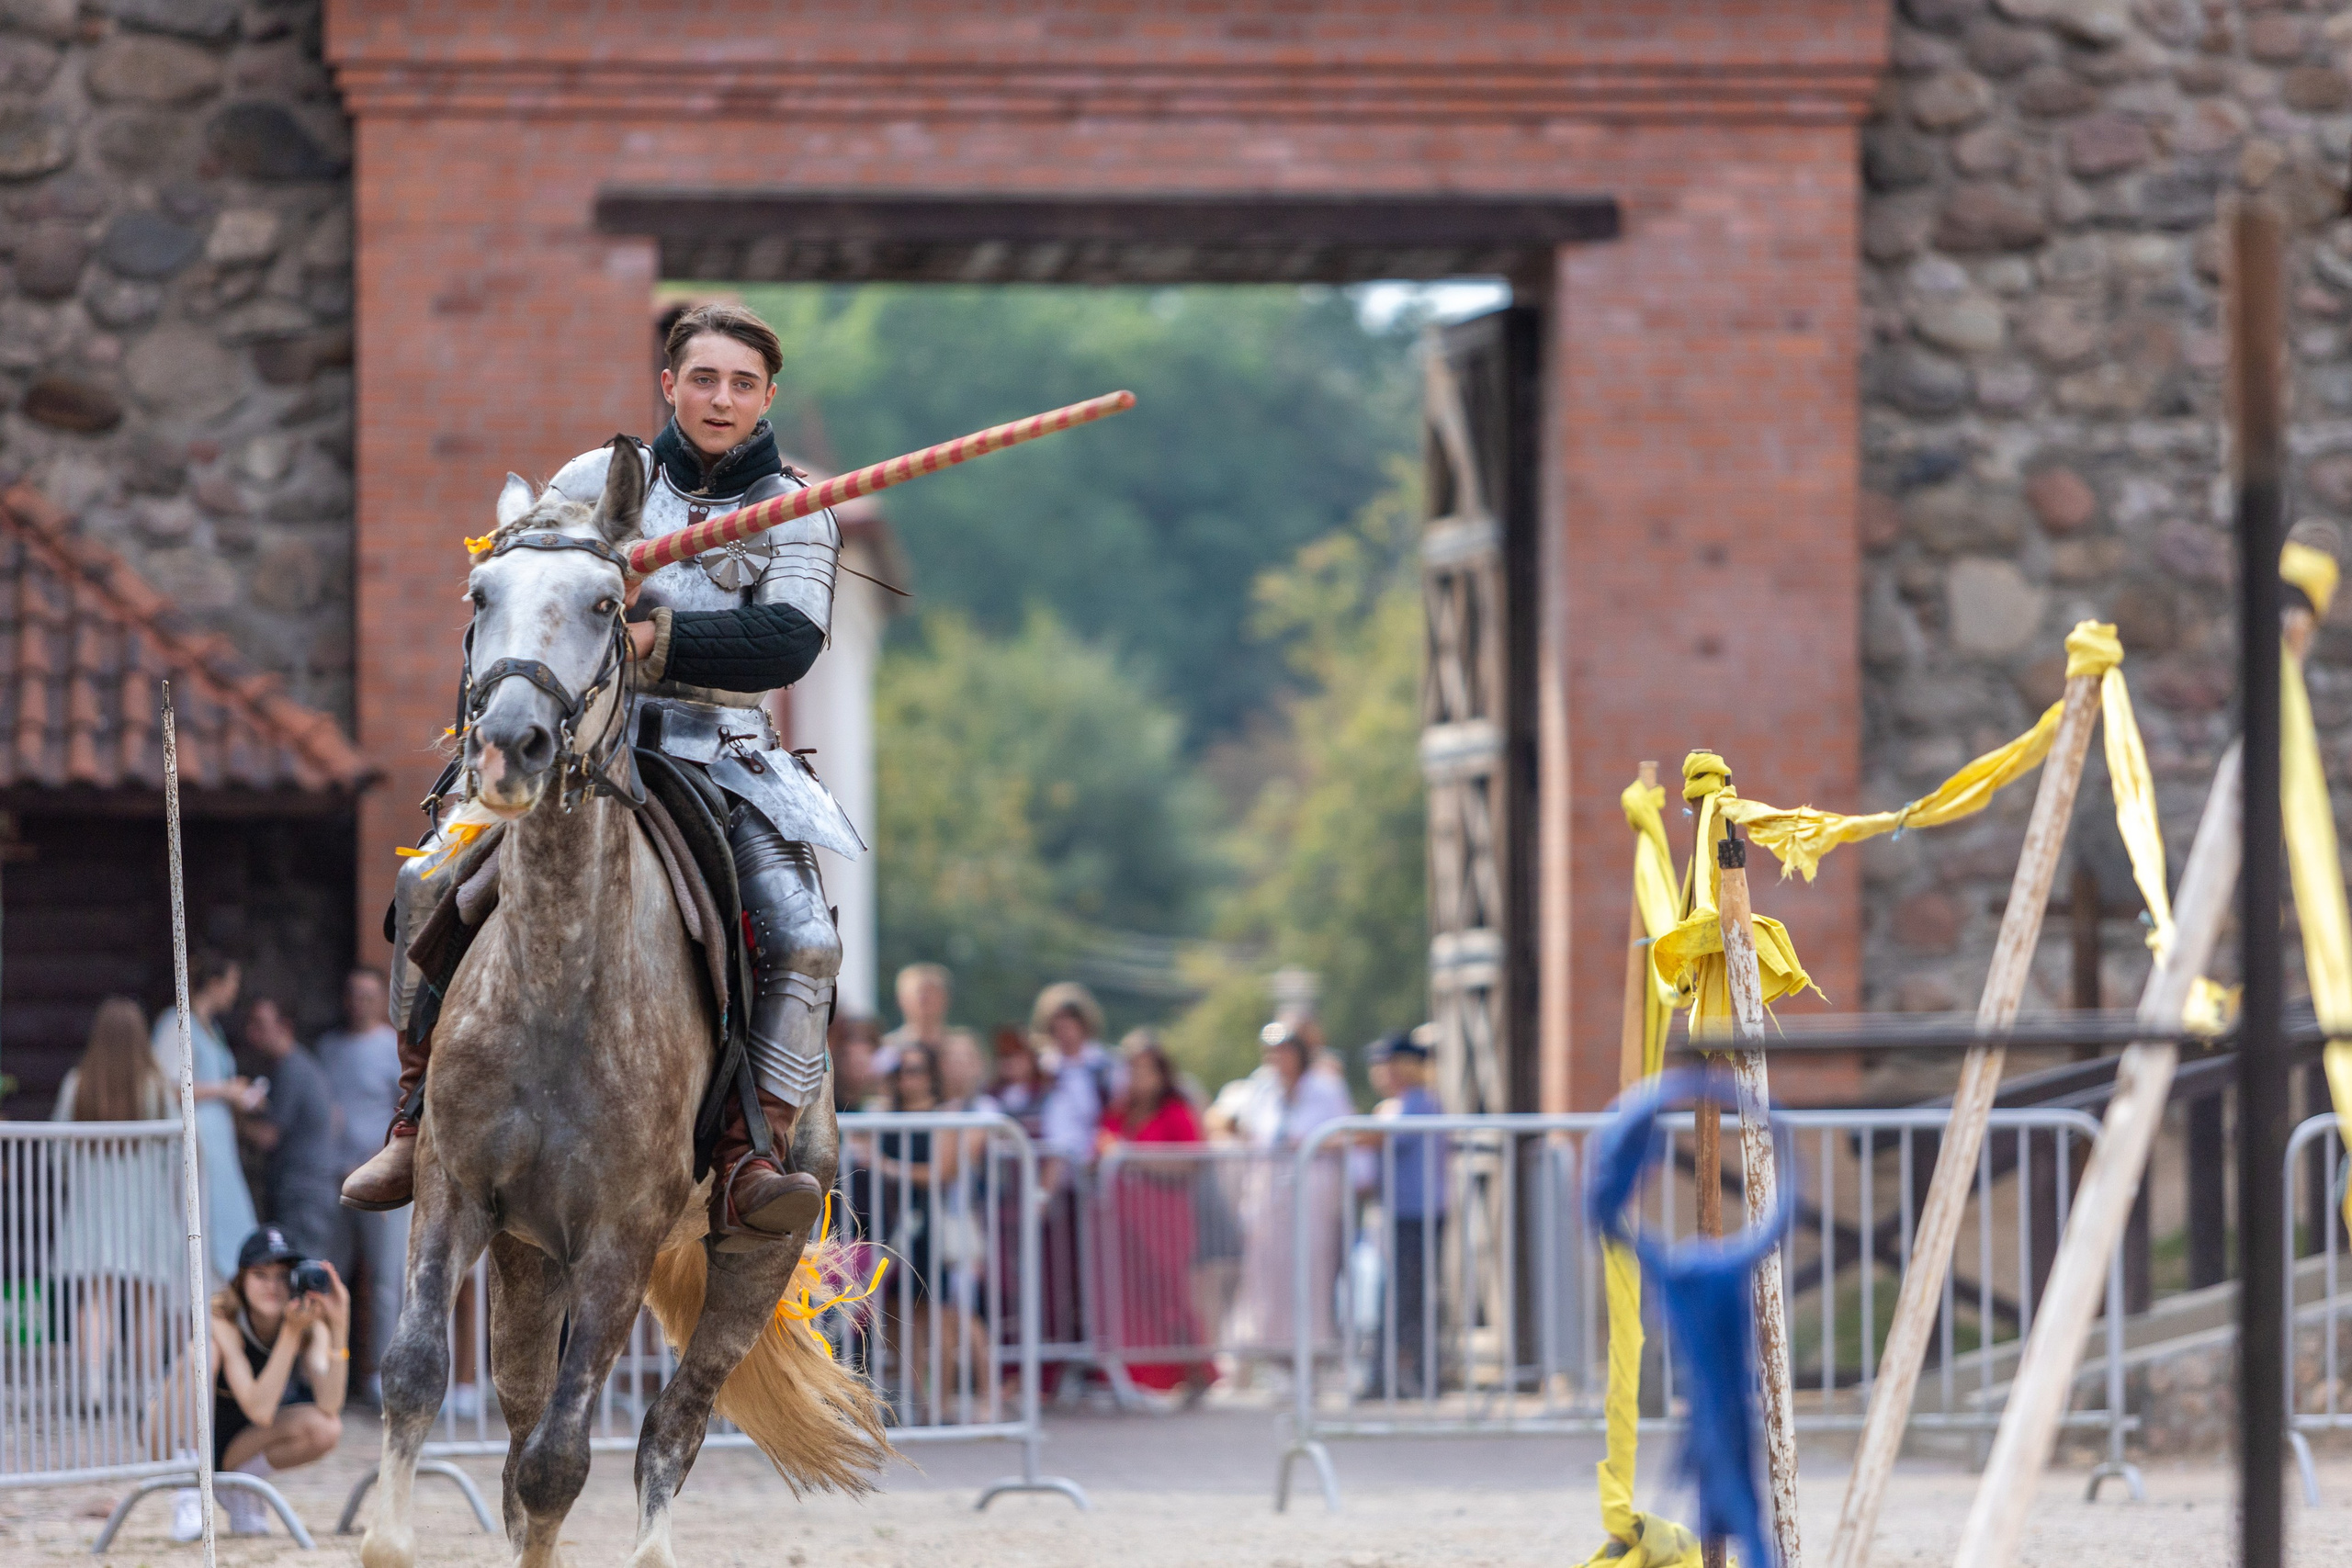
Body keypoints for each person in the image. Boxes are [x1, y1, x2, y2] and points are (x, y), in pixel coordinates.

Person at [346, 300, 850, 1257]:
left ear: (766, 398)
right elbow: (518, 587)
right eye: (703, 378)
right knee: (423, 885)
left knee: (805, 939)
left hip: (721, 752)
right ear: (671, 385)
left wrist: (663, 636)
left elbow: (790, 642)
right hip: (576, 746)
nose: (720, 398)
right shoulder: (588, 481)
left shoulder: (798, 507)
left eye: (741, 384)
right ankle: (415, 1118)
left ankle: (754, 1151)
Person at [172, 1225, 351, 1540]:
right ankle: (188, 1492)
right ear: (241, 1278)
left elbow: (330, 1403)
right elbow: (261, 1409)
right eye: (260, 1274)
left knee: (327, 1427)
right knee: (203, 1353)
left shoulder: (305, 1321)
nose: (272, 1286)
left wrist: (338, 1323)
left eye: (283, 1276)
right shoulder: (220, 1316)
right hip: (174, 1431)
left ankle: (242, 1490)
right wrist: (290, 1335)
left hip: (237, 1440)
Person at [51, 997, 179, 1396]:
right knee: (147, 1301)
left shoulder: (78, 1083)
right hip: (147, 1207)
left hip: (93, 1206)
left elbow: (57, 1152)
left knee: (95, 1298)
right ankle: (146, 1390)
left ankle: (92, 1386)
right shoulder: (157, 1088)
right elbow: (177, 1152)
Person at [1095, 1031, 1215, 1402]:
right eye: (1134, 1071)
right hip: (1123, 1223)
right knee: (1133, 1301)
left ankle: (1195, 1371)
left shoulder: (1177, 1111)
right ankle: (1144, 1377)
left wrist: (1133, 1156)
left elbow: (1190, 1163)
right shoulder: (1118, 1111)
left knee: (1171, 1297)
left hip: (1164, 1219)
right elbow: (1098, 1150)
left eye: (1147, 1072)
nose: (1139, 1080)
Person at [311, 968, 409, 1401]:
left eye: (369, 995)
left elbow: (410, 1107)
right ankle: (328, 1371)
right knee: (330, 1275)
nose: (360, 1003)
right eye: (354, 995)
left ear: (381, 999)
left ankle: (385, 1377)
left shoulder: (393, 1047)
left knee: (387, 1281)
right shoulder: (328, 1048)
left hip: (383, 1181)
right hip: (336, 1179)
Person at [1234, 1021, 1353, 1363]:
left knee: (1312, 1270)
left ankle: (1313, 1353)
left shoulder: (1326, 1088)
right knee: (1269, 1273)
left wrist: (1310, 1144)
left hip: (1313, 1194)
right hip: (1270, 1194)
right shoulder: (1263, 1090)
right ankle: (1274, 1356)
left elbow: (1346, 1133)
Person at [153, 953, 263, 1284]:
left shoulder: (211, 1029)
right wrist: (225, 1090)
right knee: (201, 1223)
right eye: (231, 983)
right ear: (214, 983)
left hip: (218, 1146)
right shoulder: (176, 1023)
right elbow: (167, 1086)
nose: (234, 991)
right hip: (196, 1141)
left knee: (226, 1219)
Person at [239, 998, 347, 1269]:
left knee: (305, 1273)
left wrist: (228, 1119)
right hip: (311, 1189)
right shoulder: (303, 1066)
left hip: (303, 1193)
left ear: (285, 1027)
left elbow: (268, 1136)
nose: (252, 1034)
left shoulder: (292, 1069)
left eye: (261, 1025)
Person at [1369, 1030, 1446, 1397]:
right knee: (1400, 1295)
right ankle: (1401, 1371)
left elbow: (1387, 1139)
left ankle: (1413, 1372)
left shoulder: (1419, 1102)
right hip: (1405, 1212)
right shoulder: (1406, 1103)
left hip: (1418, 1213)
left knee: (1407, 1296)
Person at [1032, 980, 1123, 1117]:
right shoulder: (1042, 1067)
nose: (1063, 1025)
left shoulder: (1105, 1066)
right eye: (1058, 1019)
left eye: (1070, 1017)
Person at [876, 962, 954, 1081]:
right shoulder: (887, 1051)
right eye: (918, 993)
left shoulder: (961, 1052)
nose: (924, 999)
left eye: (932, 992)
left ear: (946, 998)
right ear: (901, 1000)